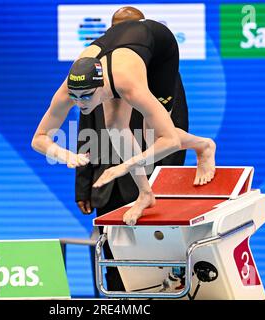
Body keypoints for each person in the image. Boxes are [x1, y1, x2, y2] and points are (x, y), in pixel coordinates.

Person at [32, 19, 216, 227]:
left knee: (155, 135)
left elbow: (171, 141)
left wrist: (124, 166)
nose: (79, 103)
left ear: (102, 88)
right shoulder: (68, 90)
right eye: (74, 97)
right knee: (114, 127)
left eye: (85, 97)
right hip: (115, 52)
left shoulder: (129, 86)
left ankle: (204, 146)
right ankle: (146, 194)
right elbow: (39, 139)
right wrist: (64, 154)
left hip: (160, 49)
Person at [75, 7, 189, 292]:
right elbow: (86, 126)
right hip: (107, 183)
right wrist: (83, 183)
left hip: (148, 179)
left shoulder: (163, 71)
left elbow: (175, 127)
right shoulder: (94, 71)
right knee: (109, 259)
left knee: (155, 262)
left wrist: (164, 181)